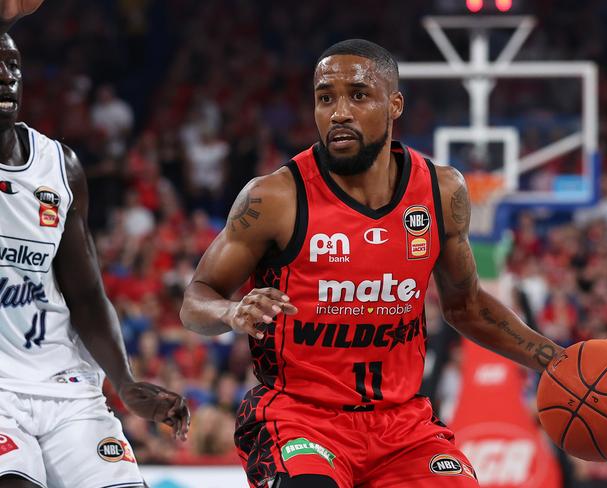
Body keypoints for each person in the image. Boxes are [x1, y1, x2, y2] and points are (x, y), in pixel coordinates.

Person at [181, 39, 565, 488]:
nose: (339, 112)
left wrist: (554, 360)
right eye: (326, 98)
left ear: (394, 104)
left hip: (402, 427)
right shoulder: (274, 198)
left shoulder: (441, 192)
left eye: (358, 95)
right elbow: (195, 299)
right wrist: (231, 311)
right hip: (300, 419)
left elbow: (467, 307)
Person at [0, 3, 190, 488]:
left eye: (14, 65)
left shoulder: (59, 166)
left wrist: (124, 383)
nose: (6, 77)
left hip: (67, 387)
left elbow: (85, 295)